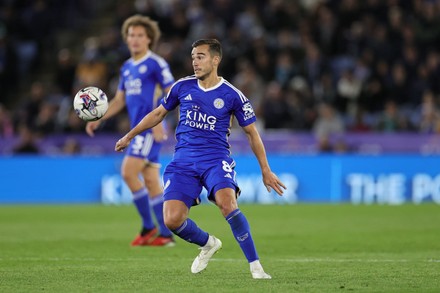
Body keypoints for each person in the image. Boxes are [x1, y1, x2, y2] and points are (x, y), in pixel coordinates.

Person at [115, 39, 286, 279]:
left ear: (216, 60)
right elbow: (158, 113)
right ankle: (208, 243)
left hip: (215, 159)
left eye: (201, 56)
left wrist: (266, 170)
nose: (195, 61)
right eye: (193, 56)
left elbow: (252, 134)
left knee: (227, 204)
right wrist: (130, 135)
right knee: (172, 220)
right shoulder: (181, 87)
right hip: (183, 161)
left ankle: (256, 266)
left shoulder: (232, 95)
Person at [86, 15, 175, 246]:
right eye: (131, 35)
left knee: (127, 171)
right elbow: (119, 100)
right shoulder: (127, 67)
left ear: (149, 39)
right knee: (151, 180)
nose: (135, 39)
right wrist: (99, 118)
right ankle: (165, 235)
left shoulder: (156, 63)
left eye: (140, 35)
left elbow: (172, 92)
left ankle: (148, 227)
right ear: (126, 39)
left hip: (147, 129)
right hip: (140, 129)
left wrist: (160, 121)